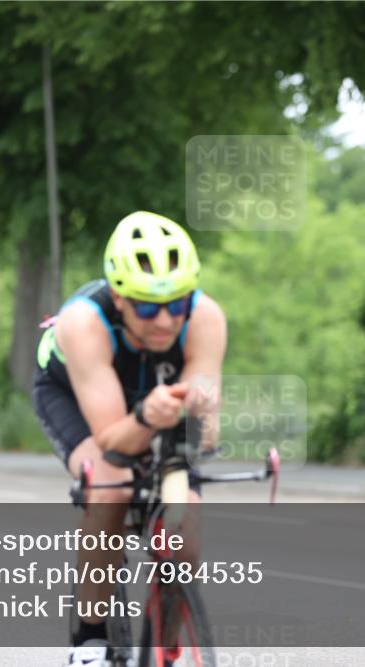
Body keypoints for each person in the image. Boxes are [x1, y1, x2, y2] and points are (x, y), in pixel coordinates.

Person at [33, 211, 225, 666]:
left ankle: (169, 641)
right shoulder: (84, 323)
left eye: (176, 304)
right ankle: (90, 640)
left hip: (153, 396)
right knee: (113, 484)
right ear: (119, 298)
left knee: (188, 523)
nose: (163, 320)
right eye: (145, 306)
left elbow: (207, 433)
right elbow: (111, 436)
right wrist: (144, 417)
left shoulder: (206, 318)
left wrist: (197, 417)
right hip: (74, 393)